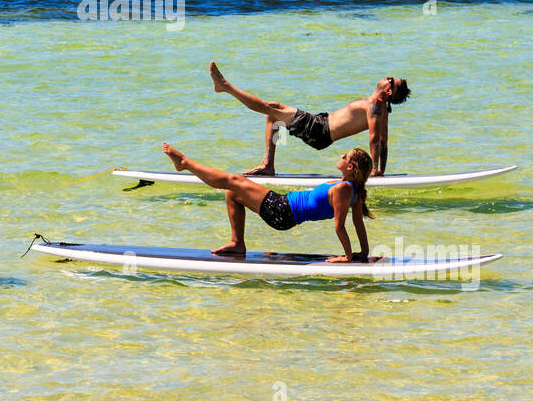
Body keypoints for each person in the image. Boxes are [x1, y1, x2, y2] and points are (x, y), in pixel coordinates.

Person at [161, 142, 375, 260]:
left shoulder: (343, 190)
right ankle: (237, 243)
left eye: (344, 156)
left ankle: (184, 163)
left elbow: (340, 226)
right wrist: (364, 252)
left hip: (283, 211)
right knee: (233, 193)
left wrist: (347, 256)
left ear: (351, 167)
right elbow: (359, 224)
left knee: (233, 180)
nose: (341, 157)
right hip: (283, 208)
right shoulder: (350, 189)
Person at [208, 61, 410, 176]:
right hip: (320, 125)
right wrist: (380, 169)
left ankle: (225, 86)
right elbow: (383, 141)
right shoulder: (381, 109)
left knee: (270, 107)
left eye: (390, 79)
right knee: (273, 117)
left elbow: (376, 140)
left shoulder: (376, 107)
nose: (386, 77)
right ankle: (267, 164)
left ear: (389, 90)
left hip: (320, 130)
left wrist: (374, 171)